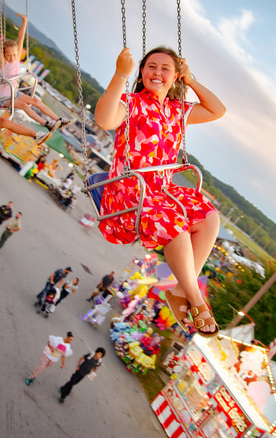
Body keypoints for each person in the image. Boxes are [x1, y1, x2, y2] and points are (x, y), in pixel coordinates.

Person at [94, 47, 226, 337]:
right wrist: (120, 74)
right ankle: (196, 299)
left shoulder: (178, 110)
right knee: (175, 227)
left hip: (162, 190)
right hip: (130, 189)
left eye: (166, 68)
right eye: (151, 66)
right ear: (141, 72)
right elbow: (104, 120)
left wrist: (191, 81)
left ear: (175, 76)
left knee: (209, 219)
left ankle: (180, 290)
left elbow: (218, 110)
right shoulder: (131, 103)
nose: (157, 72)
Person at [0, 11, 60, 127]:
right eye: (9, 55)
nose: (12, 57)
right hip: (2, 98)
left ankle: (58, 119)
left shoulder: (16, 59)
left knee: (36, 101)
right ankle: (46, 124)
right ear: (4, 55)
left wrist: (25, 21)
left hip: (14, 93)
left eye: (14, 54)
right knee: (24, 106)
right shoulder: (3, 62)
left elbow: (21, 37)